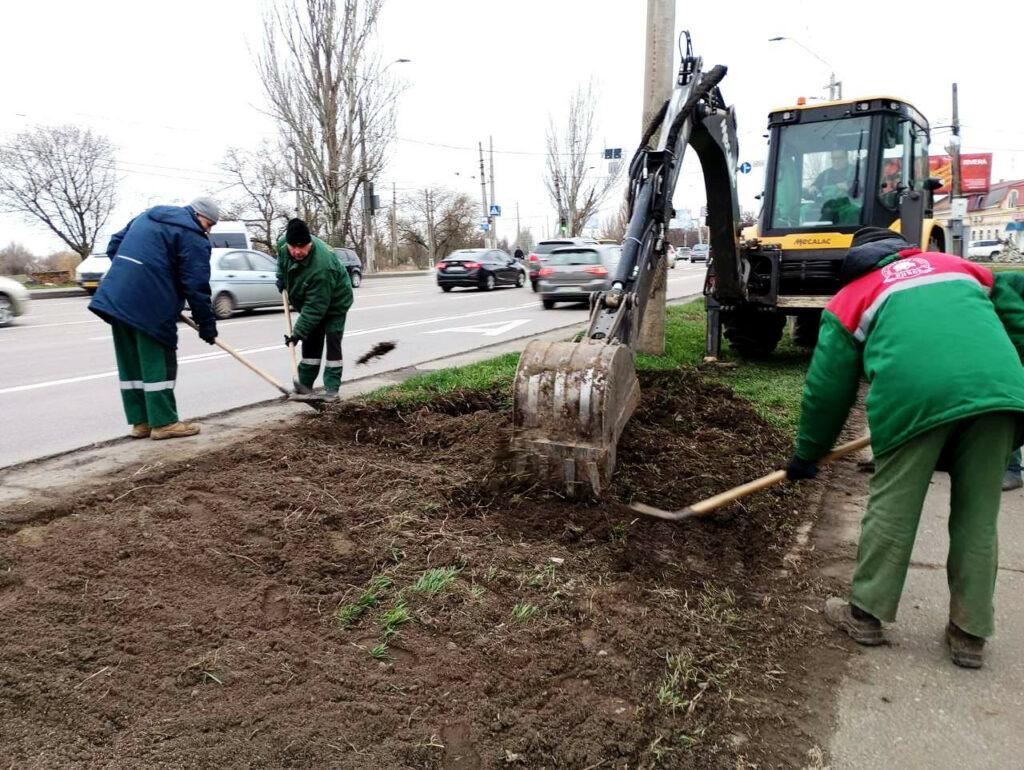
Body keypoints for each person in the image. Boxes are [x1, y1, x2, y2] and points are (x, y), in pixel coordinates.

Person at [786, 226, 1024, 669]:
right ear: (903, 250)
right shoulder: (960, 267)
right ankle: (970, 633)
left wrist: (809, 452)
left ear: (855, 264)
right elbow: (1017, 317)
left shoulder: (852, 297)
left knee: (893, 506)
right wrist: (1003, 379)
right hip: (999, 394)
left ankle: (866, 615)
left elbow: (827, 389)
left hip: (914, 398)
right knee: (978, 513)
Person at [88, 197, 219, 440]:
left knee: (132, 363)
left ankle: (142, 422)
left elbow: (114, 245)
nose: (208, 230)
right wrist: (207, 324)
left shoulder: (148, 215)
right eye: (209, 224)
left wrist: (138, 273)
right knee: (157, 361)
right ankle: (164, 422)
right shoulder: (192, 235)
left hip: (116, 296)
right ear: (197, 214)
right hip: (151, 305)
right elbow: (196, 285)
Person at [276, 219, 353, 397]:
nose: (296, 252)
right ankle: (304, 386)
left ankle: (331, 389)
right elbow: (281, 262)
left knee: (332, 342)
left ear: (310, 242)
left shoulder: (322, 266)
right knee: (311, 342)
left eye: (302, 247)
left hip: (335, 302)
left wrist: (296, 334)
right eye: (292, 247)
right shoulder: (282, 245)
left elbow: (315, 308)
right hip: (310, 301)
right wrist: (280, 277)